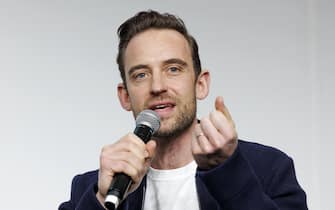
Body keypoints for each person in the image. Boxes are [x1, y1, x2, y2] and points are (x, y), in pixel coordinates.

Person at [59, 10, 308, 210]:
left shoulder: (268, 168)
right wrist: (101, 201)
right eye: (141, 74)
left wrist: (228, 172)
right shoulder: (90, 189)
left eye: (173, 69)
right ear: (125, 96)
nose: (157, 86)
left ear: (200, 84)